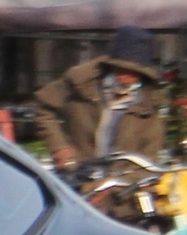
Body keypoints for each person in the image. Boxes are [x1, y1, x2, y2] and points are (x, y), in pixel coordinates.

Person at [31, 25, 168, 169]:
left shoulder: (148, 108)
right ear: (112, 67)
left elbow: (148, 162)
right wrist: (59, 146)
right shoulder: (80, 83)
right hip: (74, 176)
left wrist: (117, 185)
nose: (126, 78)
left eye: (134, 73)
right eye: (122, 70)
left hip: (118, 186)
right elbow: (42, 107)